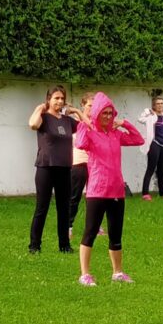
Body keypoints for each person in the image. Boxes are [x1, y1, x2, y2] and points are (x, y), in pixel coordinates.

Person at [75, 92, 144, 285]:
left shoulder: (115, 134)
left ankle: (117, 272)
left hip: (116, 191)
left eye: (109, 113)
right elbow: (80, 144)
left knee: (116, 233)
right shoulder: (89, 132)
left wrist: (123, 123)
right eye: (103, 113)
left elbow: (139, 140)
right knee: (90, 232)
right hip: (97, 191)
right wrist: (83, 124)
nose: (106, 116)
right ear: (96, 113)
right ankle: (85, 274)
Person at [28, 85, 79, 254]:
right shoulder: (43, 117)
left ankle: (64, 245)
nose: (59, 101)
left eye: (62, 98)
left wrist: (77, 111)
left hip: (64, 168)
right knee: (42, 207)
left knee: (64, 208)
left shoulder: (67, 121)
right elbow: (32, 124)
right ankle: (35, 245)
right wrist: (39, 108)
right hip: (46, 167)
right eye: (56, 98)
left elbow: (88, 127)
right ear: (49, 99)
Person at [137, 93, 163, 200]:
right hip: (154, 144)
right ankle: (145, 194)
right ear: (154, 105)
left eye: (162, 104)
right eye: (158, 104)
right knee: (151, 168)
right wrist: (148, 111)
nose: (160, 106)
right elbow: (140, 119)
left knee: (161, 170)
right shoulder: (150, 116)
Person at [68, 93, 96, 237]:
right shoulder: (74, 121)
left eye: (94, 105)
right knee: (75, 196)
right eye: (89, 105)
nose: (92, 108)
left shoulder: (96, 122)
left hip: (94, 164)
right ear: (83, 105)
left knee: (94, 197)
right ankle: (68, 225)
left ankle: (94, 226)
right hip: (78, 162)